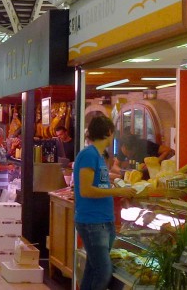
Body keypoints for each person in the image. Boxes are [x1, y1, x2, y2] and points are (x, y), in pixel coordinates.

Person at [75, 115, 137, 290]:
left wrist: (117, 189)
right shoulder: (89, 155)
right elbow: (86, 190)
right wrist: (118, 191)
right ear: (109, 132)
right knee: (103, 271)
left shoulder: (98, 155)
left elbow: (99, 185)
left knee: (92, 270)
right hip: (93, 221)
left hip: (103, 220)